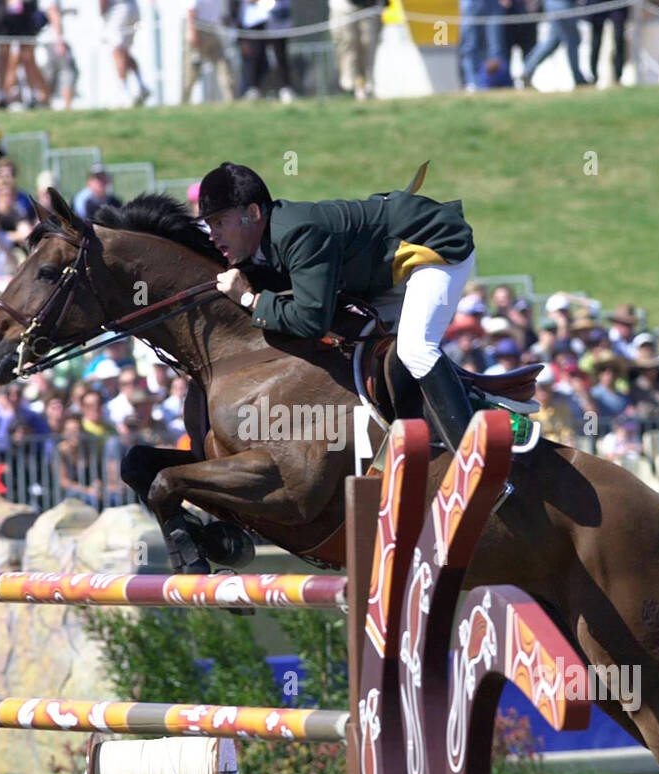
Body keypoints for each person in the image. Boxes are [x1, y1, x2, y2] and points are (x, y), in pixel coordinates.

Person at [197, 161, 477, 454]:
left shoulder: (297, 232)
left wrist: (247, 300)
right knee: (378, 350)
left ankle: (471, 453)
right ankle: (421, 440)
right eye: (209, 225)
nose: (212, 234)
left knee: (414, 349)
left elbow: (311, 320)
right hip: (388, 271)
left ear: (253, 213)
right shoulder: (265, 241)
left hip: (434, 245)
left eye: (219, 222)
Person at [184, 0, 235, 102]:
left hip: (213, 30)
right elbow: (191, 11)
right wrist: (193, 33)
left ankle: (230, 99)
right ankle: (185, 100)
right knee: (192, 71)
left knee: (223, 65)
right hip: (198, 31)